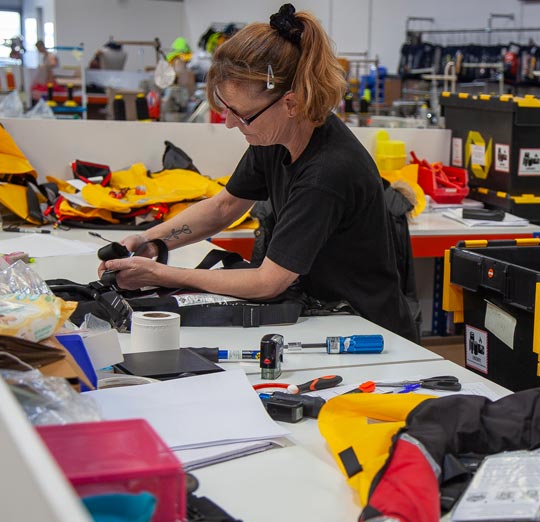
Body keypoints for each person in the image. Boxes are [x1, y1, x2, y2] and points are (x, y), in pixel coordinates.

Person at [98, 4, 418, 343]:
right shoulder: (277, 137)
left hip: (369, 333)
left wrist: (163, 274)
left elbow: (268, 282)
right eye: (224, 108)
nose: (229, 123)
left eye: (241, 114)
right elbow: (224, 207)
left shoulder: (327, 173)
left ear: (291, 103)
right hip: (324, 316)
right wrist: (149, 239)